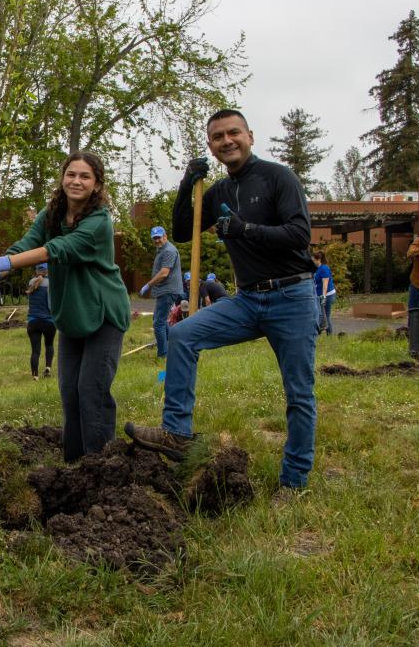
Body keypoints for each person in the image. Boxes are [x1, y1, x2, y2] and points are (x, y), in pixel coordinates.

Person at [126, 109, 319, 496]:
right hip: (247, 300)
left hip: (291, 296)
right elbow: (182, 229)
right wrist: (187, 182)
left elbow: (300, 234)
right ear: (211, 147)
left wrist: (246, 230)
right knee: (181, 335)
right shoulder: (218, 192)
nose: (227, 141)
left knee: (299, 392)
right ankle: (177, 434)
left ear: (250, 135)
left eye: (234, 133)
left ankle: (293, 481)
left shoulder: (277, 177)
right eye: (218, 137)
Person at [0, 152, 131, 463]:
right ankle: (74, 466)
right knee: (70, 394)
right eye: (71, 174)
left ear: (97, 185)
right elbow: (28, 243)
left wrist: (2, 262)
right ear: (62, 178)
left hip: (104, 312)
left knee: (91, 394)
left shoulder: (99, 222)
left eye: (85, 176)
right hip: (71, 314)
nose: (76, 181)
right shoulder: (52, 212)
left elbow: (58, 249)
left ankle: (100, 469)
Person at [138, 226, 183, 358]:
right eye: (155, 238)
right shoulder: (161, 250)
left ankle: (163, 355)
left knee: (158, 323)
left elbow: (164, 273)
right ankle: (174, 345)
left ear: (165, 236)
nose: (157, 240)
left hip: (168, 290)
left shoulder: (169, 250)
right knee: (160, 320)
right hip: (165, 290)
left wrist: (148, 284)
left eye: (159, 237)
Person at [25, 263, 56, 380]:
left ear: (37, 270)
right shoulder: (51, 284)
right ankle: (48, 368)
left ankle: (35, 375)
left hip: (33, 321)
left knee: (35, 350)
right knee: (49, 344)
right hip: (49, 321)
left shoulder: (31, 282)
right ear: (48, 270)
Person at [313, 252, 337, 335]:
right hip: (319, 295)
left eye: (313, 260)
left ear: (318, 259)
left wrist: (323, 296)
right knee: (322, 315)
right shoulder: (316, 268)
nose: (312, 261)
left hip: (328, 295)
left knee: (325, 315)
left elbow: (325, 283)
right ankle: (323, 332)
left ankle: (329, 334)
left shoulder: (324, 268)